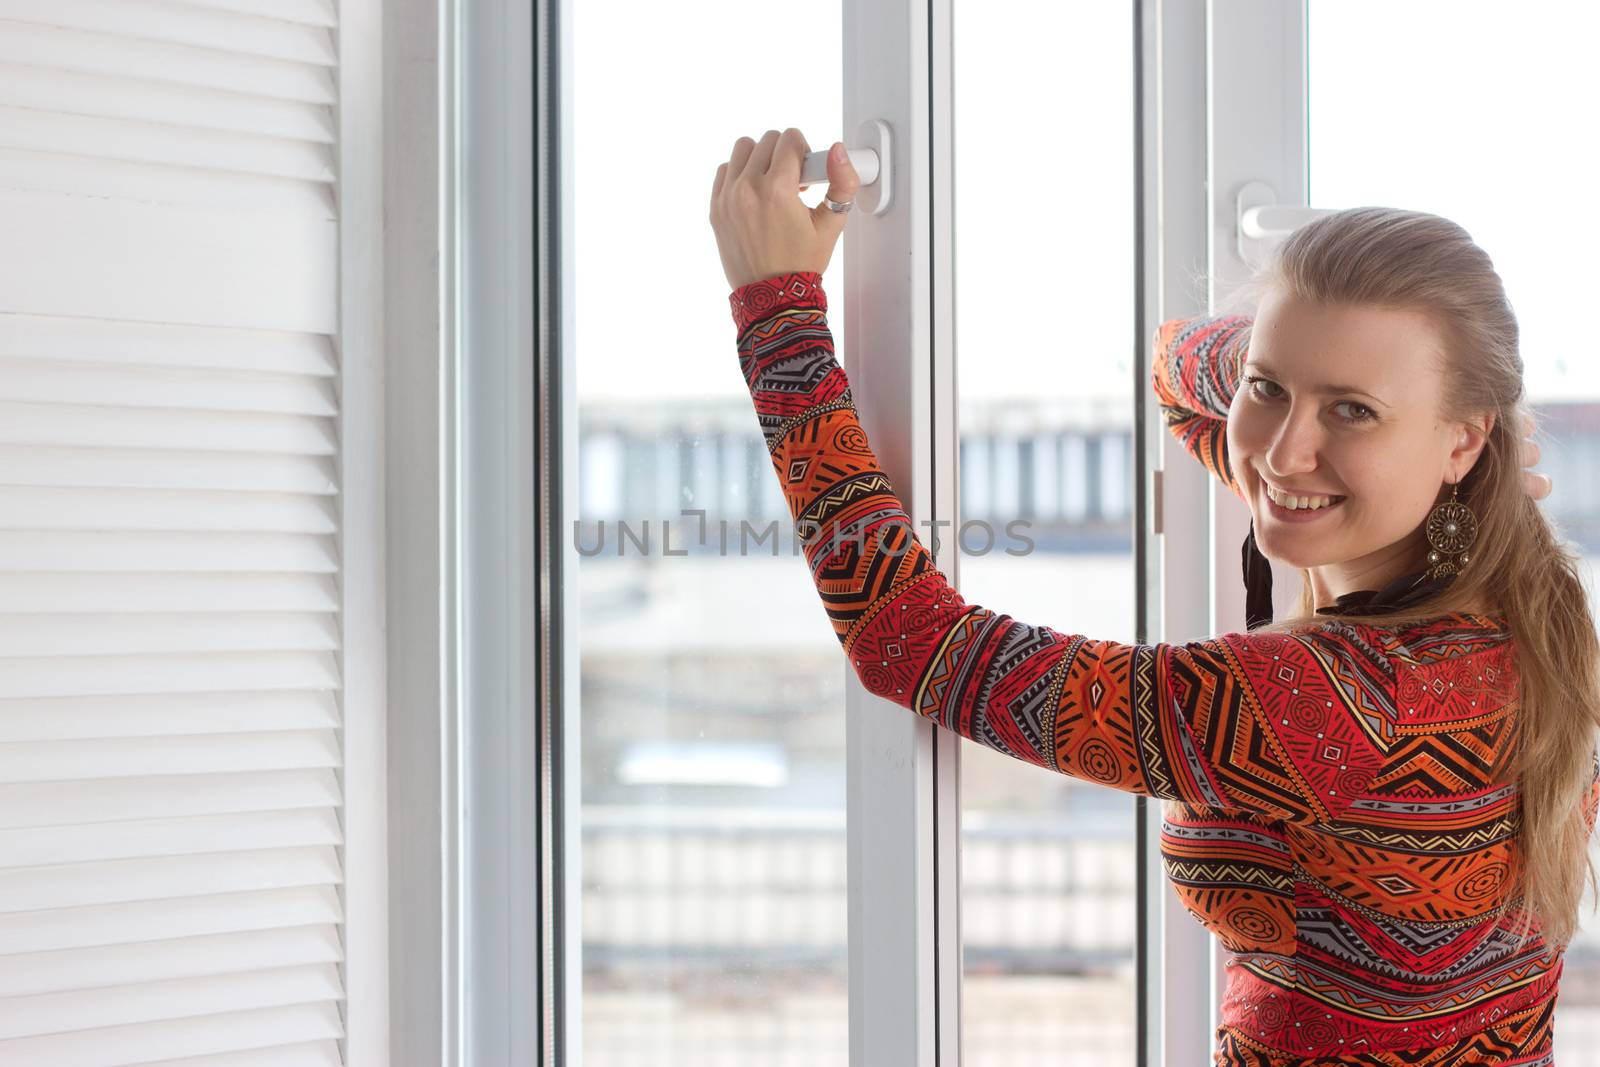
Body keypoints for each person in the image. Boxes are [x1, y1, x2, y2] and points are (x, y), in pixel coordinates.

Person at [709, 127, 1600, 1065]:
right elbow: (1185, 377)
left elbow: (909, 640)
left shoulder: (1300, 704)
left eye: (1353, 410)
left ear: (1465, 441)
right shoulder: (1540, 615)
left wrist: (776, 312)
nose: (1286, 452)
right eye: (1269, 389)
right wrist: (1364, 400)